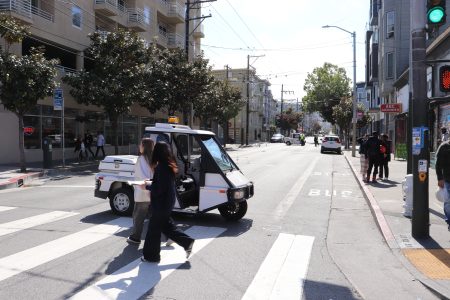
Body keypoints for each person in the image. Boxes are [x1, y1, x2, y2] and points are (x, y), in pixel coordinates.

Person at [141, 142, 194, 263]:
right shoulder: (168, 165)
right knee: (167, 226)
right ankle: (187, 242)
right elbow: (162, 185)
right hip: (166, 203)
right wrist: (150, 183)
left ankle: (151, 257)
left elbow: (159, 189)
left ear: (157, 152)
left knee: (153, 231)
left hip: (161, 204)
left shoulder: (161, 167)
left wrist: (147, 187)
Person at [127, 138, 155, 245]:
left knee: (138, 216)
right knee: (157, 216)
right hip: (153, 192)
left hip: (143, 192)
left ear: (144, 146)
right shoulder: (154, 159)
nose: (139, 146)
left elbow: (141, 176)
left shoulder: (141, 159)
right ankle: (171, 234)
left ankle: (135, 237)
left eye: (140, 145)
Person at [436, 139, 450, 231]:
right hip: (447, 179)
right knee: (448, 202)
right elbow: (437, 164)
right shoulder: (444, 147)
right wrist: (440, 178)